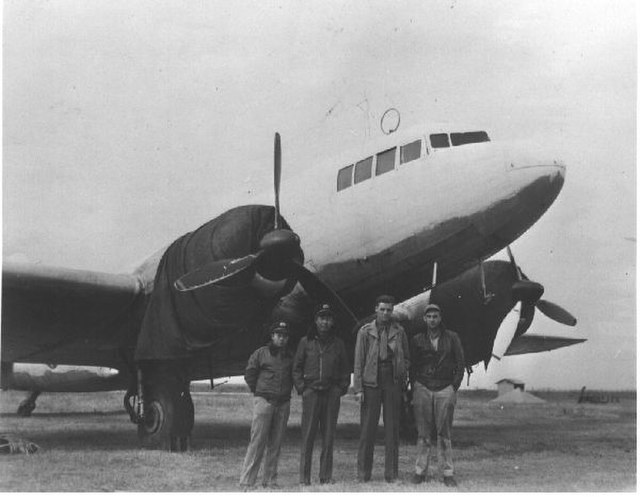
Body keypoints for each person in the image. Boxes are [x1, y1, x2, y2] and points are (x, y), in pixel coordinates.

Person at [353, 294, 410, 483]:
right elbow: (359, 362)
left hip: (392, 381)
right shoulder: (365, 332)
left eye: (389, 309)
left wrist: (402, 376)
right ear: (376, 309)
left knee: (392, 429)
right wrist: (359, 389)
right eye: (382, 309)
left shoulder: (399, 332)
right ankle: (363, 474)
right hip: (371, 382)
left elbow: (407, 358)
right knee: (367, 429)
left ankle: (391, 474)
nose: (386, 313)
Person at [293, 303, 351, 486]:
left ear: (332, 321)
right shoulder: (305, 342)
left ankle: (325, 476)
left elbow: (345, 369)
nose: (325, 322)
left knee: (328, 436)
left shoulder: (338, 343)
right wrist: (303, 388)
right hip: (311, 393)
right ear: (316, 320)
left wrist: (340, 388)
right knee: (308, 435)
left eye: (328, 318)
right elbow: (296, 368)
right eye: (322, 318)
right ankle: (304, 478)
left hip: (331, 394)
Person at [410, 303, 465, 487]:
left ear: (440, 318)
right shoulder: (417, 339)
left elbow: (460, 363)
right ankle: (420, 471)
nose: (432, 320)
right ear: (424, 319)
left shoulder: (452, 338)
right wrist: (416, 386)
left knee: (444, 433)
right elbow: (412, 365)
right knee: (423, 433)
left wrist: (453, 387)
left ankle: (448, 473)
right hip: (423, 387)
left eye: (435, 316)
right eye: (429, 317)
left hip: (444, 388)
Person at [239, 321, 294, 491]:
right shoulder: (261, 353)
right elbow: (250, 373)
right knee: (257, 442)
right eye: (278, 335)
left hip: (283, 404)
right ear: (272, 336)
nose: (282, 338)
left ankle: (270, 480)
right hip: (264, 402)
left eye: (285, 335)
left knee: (275, 444)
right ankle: (247, 481)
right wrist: (259, 392)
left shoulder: (290, 357)